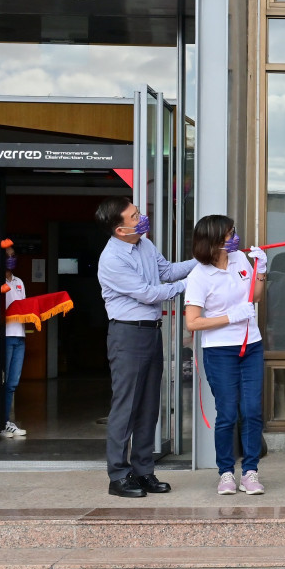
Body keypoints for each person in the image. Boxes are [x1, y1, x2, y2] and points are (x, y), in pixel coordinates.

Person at [96, 197, 197, 498]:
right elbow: (148, 293)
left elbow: (166, 272)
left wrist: (202, 261)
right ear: (120, 229)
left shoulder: (145, 245)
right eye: (134, 215)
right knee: (125, 407)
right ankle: (118, 476)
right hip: (127, 335)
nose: (142, 217)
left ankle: (143, 472)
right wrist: (192, 286)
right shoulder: (112, 259)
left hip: (151, 332)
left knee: (149, 406)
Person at [184, 215, 268, 496]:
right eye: (231, 234)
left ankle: (251, 472)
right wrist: (230, 317)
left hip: (251, 346)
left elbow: (254, 296)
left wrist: (262, 270)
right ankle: (225, 473)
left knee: (253, 411)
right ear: (215, 240)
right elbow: (193, 322)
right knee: (228, 413)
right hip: (220, 351)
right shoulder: (199, 276)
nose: (236, 238)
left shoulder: (239, 261)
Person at [1, 246, 27, 439]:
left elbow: (24, 308)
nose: (11, 259)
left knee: (12, 383)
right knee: (1, 381)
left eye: (13, 256)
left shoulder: (19, 282)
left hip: (20, 336)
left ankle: (5, 422)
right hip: (5, 336)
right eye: (8, 256)